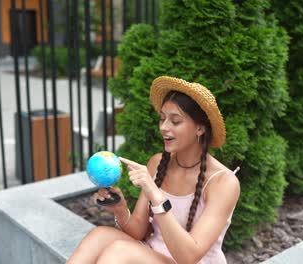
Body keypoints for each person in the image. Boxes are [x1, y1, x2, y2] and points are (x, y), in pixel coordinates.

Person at [67, 76, 240, 264]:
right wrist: (120, 210)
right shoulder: (158, 163)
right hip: (153, 255)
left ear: (199, 128)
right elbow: (138, 232)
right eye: (162, 119)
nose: (164, 127)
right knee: (99, 235)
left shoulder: (223, 182)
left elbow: (189, 257)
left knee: (119, 252)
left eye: (175, 121)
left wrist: (157, 197)